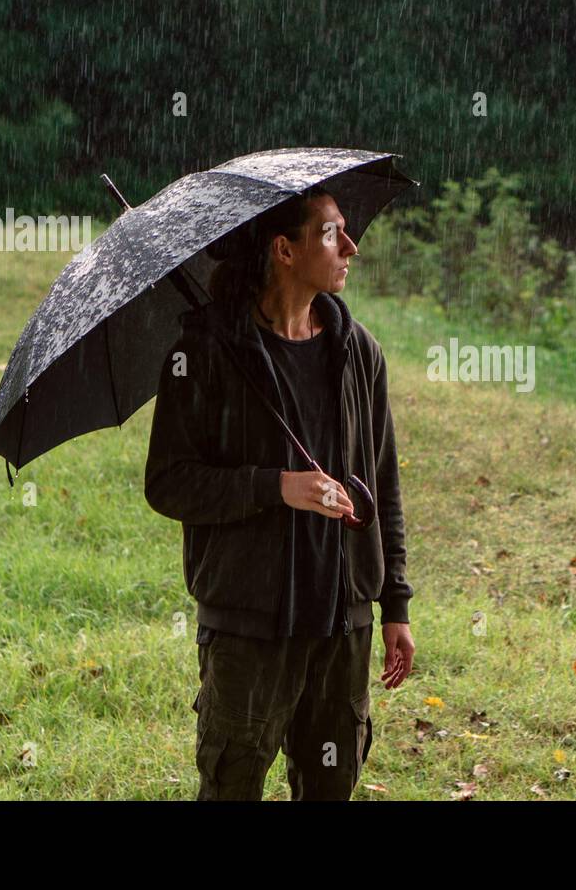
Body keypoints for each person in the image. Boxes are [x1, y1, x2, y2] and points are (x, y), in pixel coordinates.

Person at [144, 185, 416, 800]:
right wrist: (276, 487)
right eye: (329, 233)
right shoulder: (205, 355)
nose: (350, 246)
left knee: (330, 786)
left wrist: (393, 602)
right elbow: (168, 483)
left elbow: (385, 483)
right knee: (232, 784)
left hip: (341, 620)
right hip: (249, 625)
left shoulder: (358, 354)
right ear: (285, 251)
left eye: (346, 230)